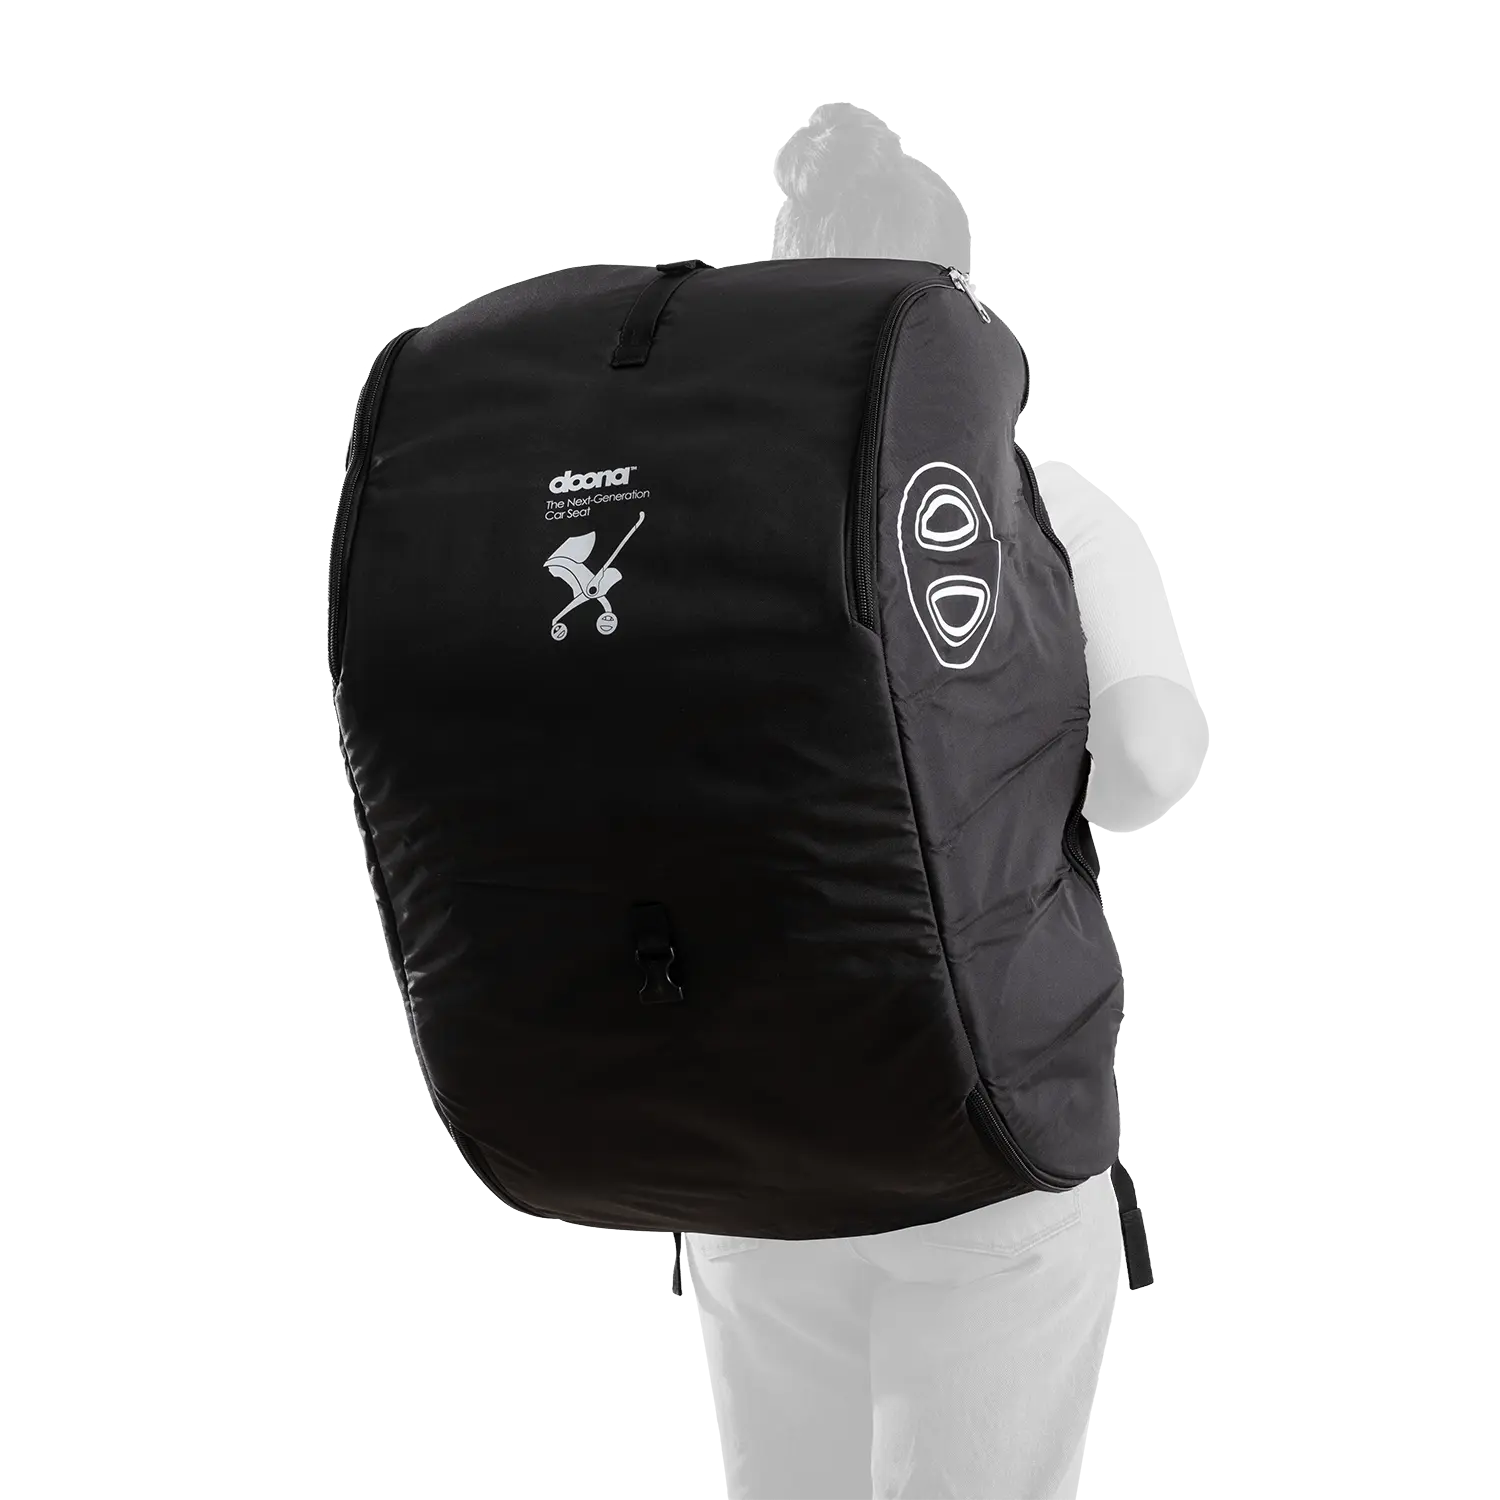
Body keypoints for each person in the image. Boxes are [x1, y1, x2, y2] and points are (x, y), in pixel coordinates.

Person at [683, 102, 1211, 1500]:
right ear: (958, 308)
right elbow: (1150, 772)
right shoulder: (1047, 504)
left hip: (749, 1145)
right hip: (984, 1133)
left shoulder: (697, 517)